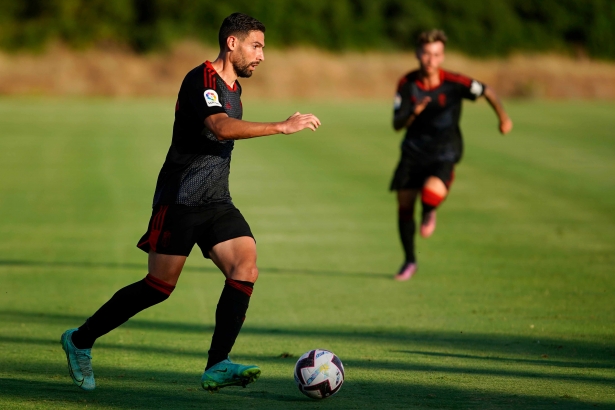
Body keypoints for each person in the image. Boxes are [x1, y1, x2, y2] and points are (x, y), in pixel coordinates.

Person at [60, 12, 321, 392]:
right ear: (232, 43)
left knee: (245, 266)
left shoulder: (235, 89)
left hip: (216, 200)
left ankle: (217, 364)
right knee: (158, 287)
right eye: (256, 45)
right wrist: (280, 126)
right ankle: (80, 340)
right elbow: (219, 126)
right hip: (179, 199)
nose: (262, 55)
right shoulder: (200, 80)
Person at [391, 29, 512, 281]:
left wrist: (503, 117)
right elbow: (396, 123)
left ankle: (429, 210)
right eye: (426, 53)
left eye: (435, 54)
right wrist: (413, 112)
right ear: (417, 54)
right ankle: (409, 261)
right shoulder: (407, 84)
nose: (430, 60)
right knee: (403, 205)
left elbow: (487, 90)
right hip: (413, 152)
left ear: (442, 56)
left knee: (431, 193)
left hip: (445, 152)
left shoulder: (455, 83)